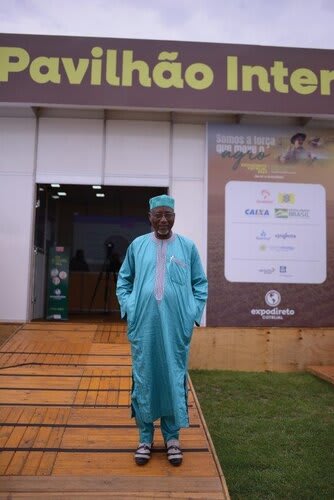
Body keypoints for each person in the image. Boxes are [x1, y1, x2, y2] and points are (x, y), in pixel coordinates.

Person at [116, 194, 208, 467]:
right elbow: (124, 280)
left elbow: (200, 284)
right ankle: (145, 438)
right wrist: (129, 306)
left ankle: (172, 438)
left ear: (174, 216)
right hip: (143, 325)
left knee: (172, 376)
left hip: (175, 327)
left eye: (168, 214)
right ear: (150, 217)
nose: (164, 220)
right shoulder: (138, 245)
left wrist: (192, 312)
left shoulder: (187, 247)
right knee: (144, 377)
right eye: (158, 215)